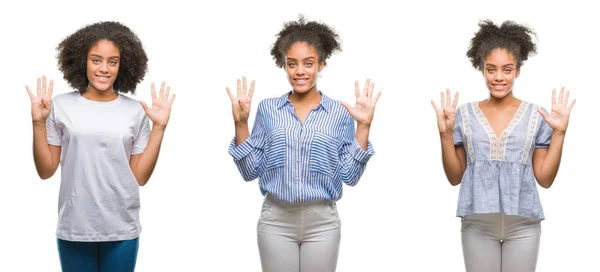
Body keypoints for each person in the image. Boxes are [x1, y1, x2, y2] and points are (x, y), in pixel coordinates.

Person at [226, 15, 381, 272]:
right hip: (276, 220)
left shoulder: (340, 113)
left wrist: (364, 126)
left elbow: (350, 176)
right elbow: (249, 172)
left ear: (321, 64)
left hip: (322, 222)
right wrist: (240, 124)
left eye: (308, 63)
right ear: (284, 65)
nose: (300, 71)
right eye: (292, 64)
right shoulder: (268, 109)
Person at [25, 21, 175, 272]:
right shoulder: (59, 106)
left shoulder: (135, 111)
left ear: (122, 65)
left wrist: (159, 127)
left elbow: (140, 176)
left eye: (112, 62)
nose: (104, 69)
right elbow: (46, 170)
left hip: (121, 227)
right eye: (96, 60)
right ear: (82, 62)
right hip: (75, 226)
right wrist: (38, 122)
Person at [431, 20, 575, 272]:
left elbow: (545, 179)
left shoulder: (536, 115)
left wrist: (560, 132)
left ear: (517, 71)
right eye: (491, 69)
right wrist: (445, 134)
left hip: (524, 224)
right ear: (482, 69)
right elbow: (455, 177)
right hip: (477, 223)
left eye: (507, 70)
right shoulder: (463, 115)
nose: (499, 77)